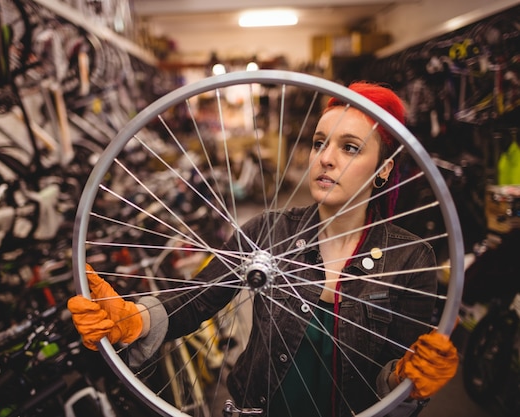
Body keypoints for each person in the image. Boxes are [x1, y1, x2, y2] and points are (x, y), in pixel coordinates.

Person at [68, 81, 459, 417]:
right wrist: (135, 318)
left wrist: (409, 376)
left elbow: (395, 378)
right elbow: (198, 300)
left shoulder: (411, 258)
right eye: (319, 142)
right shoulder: (269, 230)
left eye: (350, 148)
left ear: (384, 168)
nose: (325, 158)